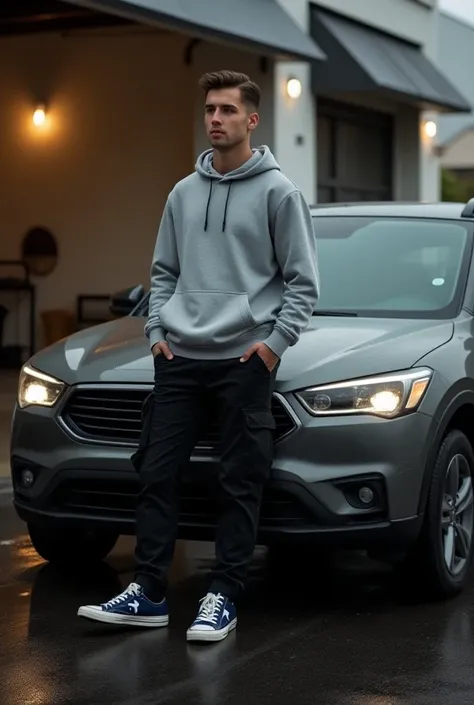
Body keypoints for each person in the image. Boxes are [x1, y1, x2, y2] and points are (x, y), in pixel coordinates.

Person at [77, 70, 319, 642]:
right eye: (210, 109)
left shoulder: (279, 193)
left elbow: (302, 284)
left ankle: (223, 595)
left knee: (239, 479)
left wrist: (270, 347)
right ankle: (149, 593)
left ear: (251, 120)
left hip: (244, 361)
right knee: (156, 473)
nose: (216, 119)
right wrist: (157, 331)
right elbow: (163, 273)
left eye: (228, 110)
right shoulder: (182, 194)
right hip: (179, 357)